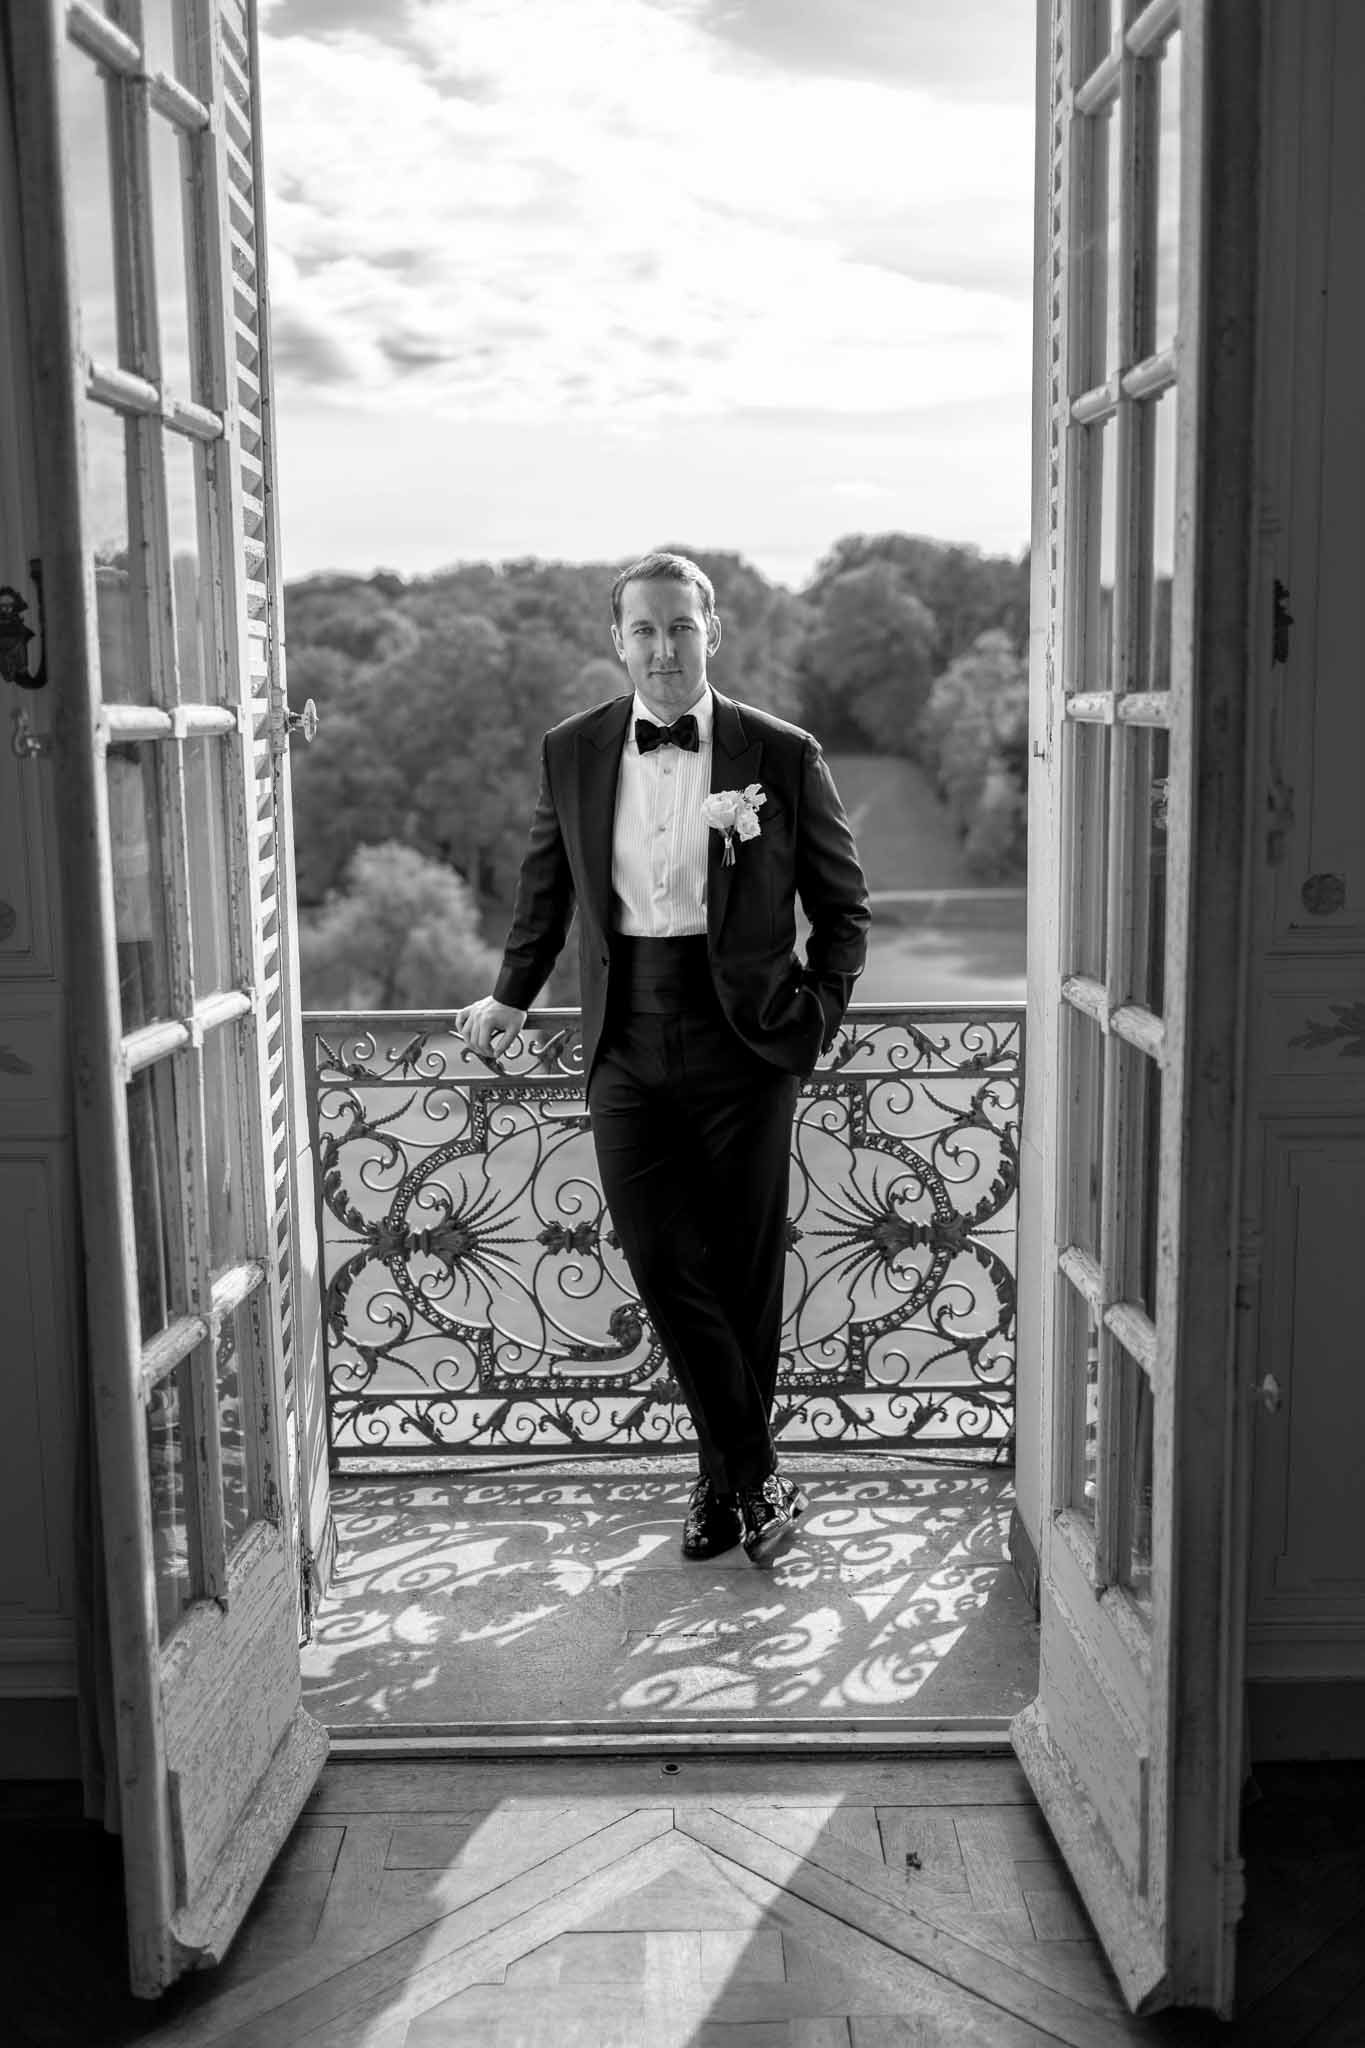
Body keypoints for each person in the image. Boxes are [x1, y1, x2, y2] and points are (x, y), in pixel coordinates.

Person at [455, 551, 869, 1566]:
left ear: (711, 630)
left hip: (746, 1041)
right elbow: (545, 892)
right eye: (643, 629)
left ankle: (719, 1490)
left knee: (743, 1274)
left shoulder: (781, 752)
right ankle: (761, 1473)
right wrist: (511, 996)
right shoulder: (572, 749)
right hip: (625, 1040)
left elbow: (844, 907)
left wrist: (810, 1018)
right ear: (617, 641)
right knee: (663, 1258)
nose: (663, 647)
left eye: (680, 626)